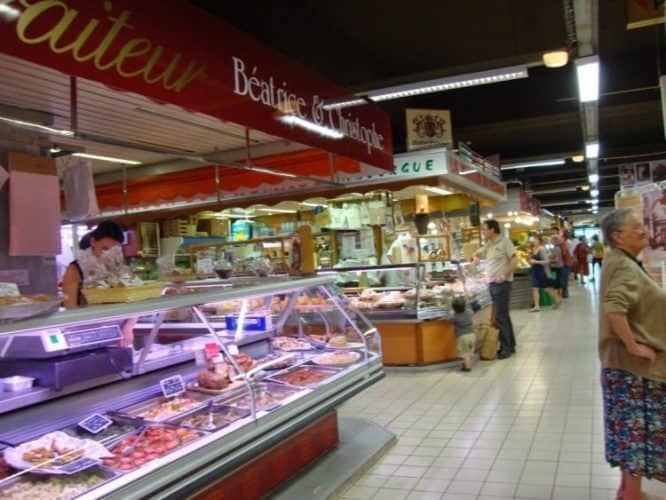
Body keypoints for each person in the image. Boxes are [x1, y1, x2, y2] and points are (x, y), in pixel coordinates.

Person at [598, 208, 666, 500]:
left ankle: (628, 489)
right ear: (618, 237)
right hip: (633, 368)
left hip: (624, 366)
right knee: (636, 431)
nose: (643, 230)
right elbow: (615, 306)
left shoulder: (621, 261)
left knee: (627, 430)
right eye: (636, 227)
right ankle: (632, 494)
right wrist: (633, 345)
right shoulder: (624, 265)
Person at [61, 221, 135, 347]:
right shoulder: (75, 269)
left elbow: (135, 301)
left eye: (114, 250)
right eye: (105, 248)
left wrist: (129, 327)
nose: (108, 254)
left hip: (120, 336)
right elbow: (70, 309)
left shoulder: (122, 268)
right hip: (86, 336)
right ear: (93, 242)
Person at [473, 219, 518, 359]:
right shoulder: (489, 244)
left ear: (493, 229)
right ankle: (511, 345)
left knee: (500, 316)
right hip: (492, 284)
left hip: (502, 284)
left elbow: (515, 260)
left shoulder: (505, 242)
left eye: (485, 229)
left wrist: (504, 275)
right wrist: (475, 257)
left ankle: (505, 348)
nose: (483, 232)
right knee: (503, 315)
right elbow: (477, 253)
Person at [528, 235, 560, 312]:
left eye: (535, 239)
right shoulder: (533, 249)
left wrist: (536, 262)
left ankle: (557, 300)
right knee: (534, 288)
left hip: (542, 272)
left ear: (539, 241)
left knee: (547, 289)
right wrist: (531, 261)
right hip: (535, 271)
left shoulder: (542, 249)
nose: (534, 241)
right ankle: (537, 306)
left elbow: (547, 261)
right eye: (533, 239)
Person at [452, 296, 475, 372]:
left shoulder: (455, 316)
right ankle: (466, 363)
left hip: (462, 337)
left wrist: (450, 312)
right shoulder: (469, 312)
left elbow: (448, 320)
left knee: (465, 353)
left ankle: (467, 367)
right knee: (469, 351)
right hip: (472, 335)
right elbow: (472, 311)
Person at [557, 232, 575, 298]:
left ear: (563, 238)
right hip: (566, 264)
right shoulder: (563, 244)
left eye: (560, 237)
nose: (559, 238)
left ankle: (565, 293)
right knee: (564, 279)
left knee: (564, 279)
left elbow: (563, 254)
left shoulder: (563, 245)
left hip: (565, 264)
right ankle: (564, 293)